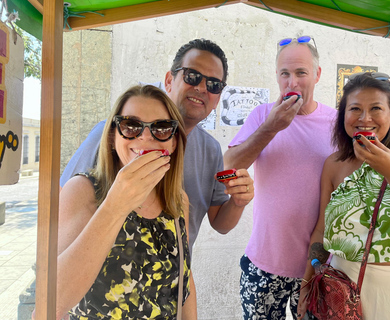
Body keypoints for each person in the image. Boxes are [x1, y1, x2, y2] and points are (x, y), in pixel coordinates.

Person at [59, 39, 254, 251]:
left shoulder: (210, 152)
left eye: (214, 85)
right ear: (169, 80)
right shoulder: (113, 135)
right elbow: (62, 208)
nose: (201, 88)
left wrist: (238, 201)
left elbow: (218, 226)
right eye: (192, 76)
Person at [297, 72, 390, 320]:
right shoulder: (334, 163)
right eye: (354, 109)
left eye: (376, 108)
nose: (364, 118)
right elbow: (321, 231)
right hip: (338, 290)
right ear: (343, 116)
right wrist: (307, 284)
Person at [55, 85, 194, 319]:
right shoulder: (82, 191)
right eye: (131, 126)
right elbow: (55, 297)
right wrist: (116, 205)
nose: (146, 137)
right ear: (112, 137)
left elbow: (185, 281)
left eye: (161, 128)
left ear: (173, 142)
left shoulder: (177, 200)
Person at [224, 36, 337, 319]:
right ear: (277, 76)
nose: (292, 83)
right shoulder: (262, 115)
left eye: (301, 73)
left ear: (317, 75)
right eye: (285, 74)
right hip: (263, 264)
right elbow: (227, 167)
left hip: (319, 265)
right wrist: (270, 128)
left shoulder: (337, 123)